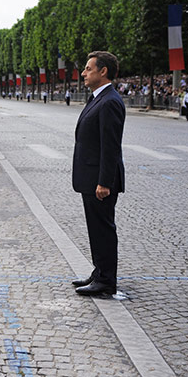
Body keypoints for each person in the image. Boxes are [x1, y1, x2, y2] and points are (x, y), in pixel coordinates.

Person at [71, 51, 125, 296]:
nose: (83, 73)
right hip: (91, 177)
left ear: (103, 71)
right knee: (96, 228)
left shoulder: (110, 101)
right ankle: (99, 272)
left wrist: (104, 182)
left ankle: (106, 281)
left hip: (100, 181)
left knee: (103, 229)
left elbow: (110, 146)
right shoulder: (97, 98)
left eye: (88, 68)